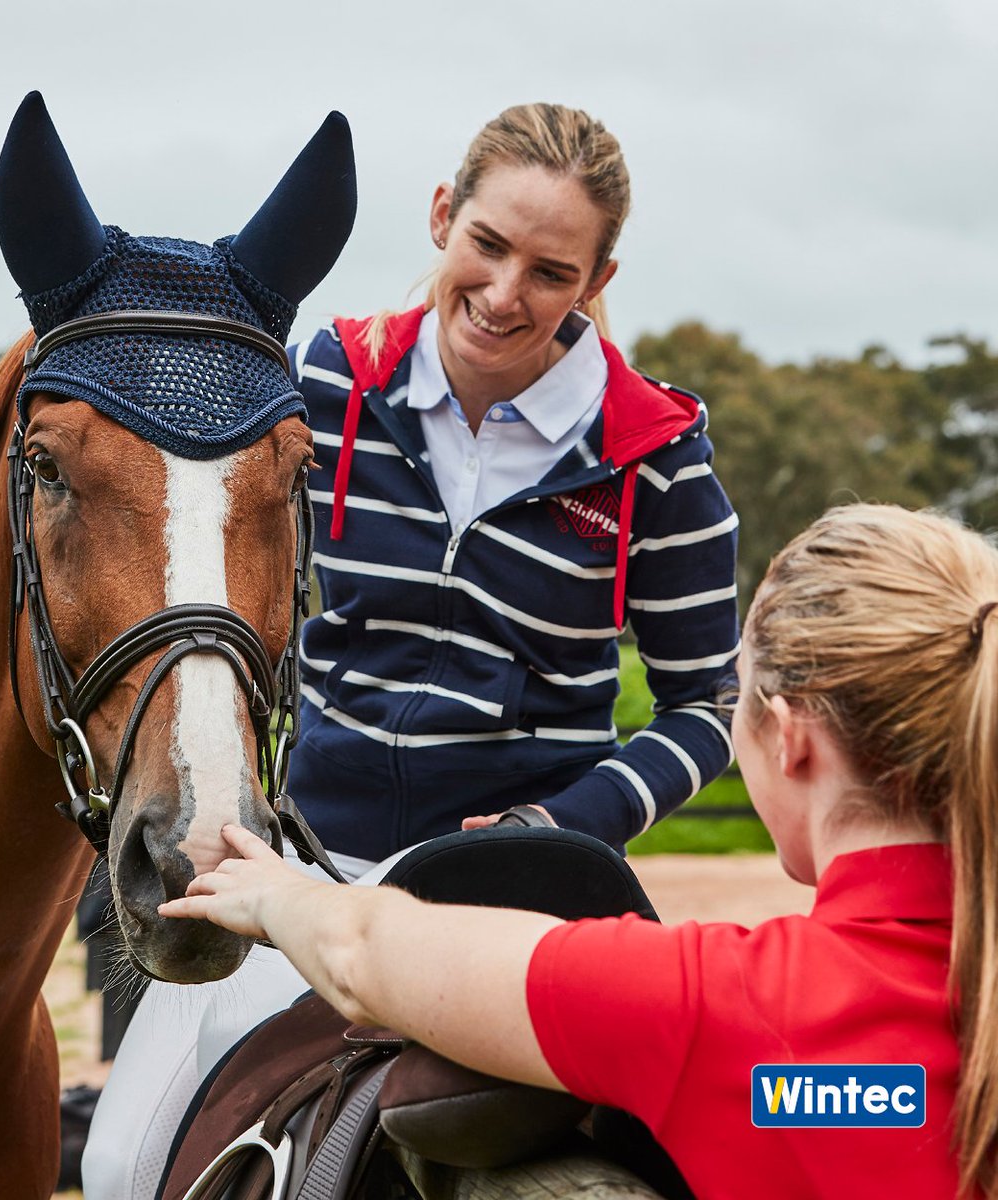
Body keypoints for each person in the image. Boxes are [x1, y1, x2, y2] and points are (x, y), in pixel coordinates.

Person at [0, 104, 741, 1196]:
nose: (504, 291)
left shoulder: (658, 458)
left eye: (550, 268)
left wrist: (563, 823)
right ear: (443, 218)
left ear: (597, 276)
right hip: (299, 859)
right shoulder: (327, 383)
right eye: (487, 245)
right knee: (118, 1163)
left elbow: (708, 703)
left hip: (518, 876)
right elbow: (139, 446)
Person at [160, 503, 997, 1200]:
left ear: (791, 738)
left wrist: (275, 893)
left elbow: (363, 953)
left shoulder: (727, 1014)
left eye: (739, 698)